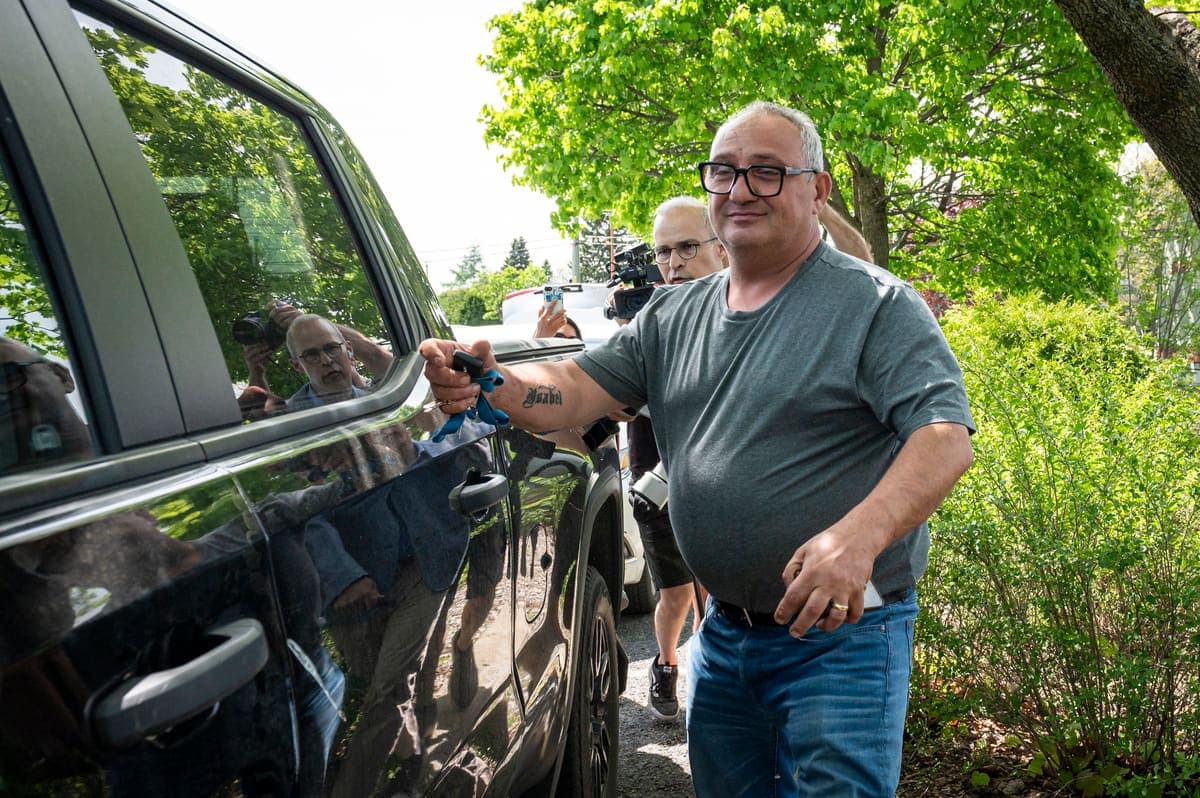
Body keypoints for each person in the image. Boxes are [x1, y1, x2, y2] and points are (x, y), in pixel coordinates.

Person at [418, 100, 974, 796]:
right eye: (724, 172)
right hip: (726, 639)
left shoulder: (875, 305)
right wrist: (493, 383)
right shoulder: (674, 314)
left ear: (817, 189)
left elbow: (945, 437)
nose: (740, 190)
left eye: (767, 173)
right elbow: (574, 385)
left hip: (844, 642)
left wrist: (859, 536)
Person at [284, 313, 373, 410]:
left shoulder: (376, 403)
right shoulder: (289, 418)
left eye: (332, 348)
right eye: (312, 355)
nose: (327, 360)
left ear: (349, 351)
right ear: (297, 365)